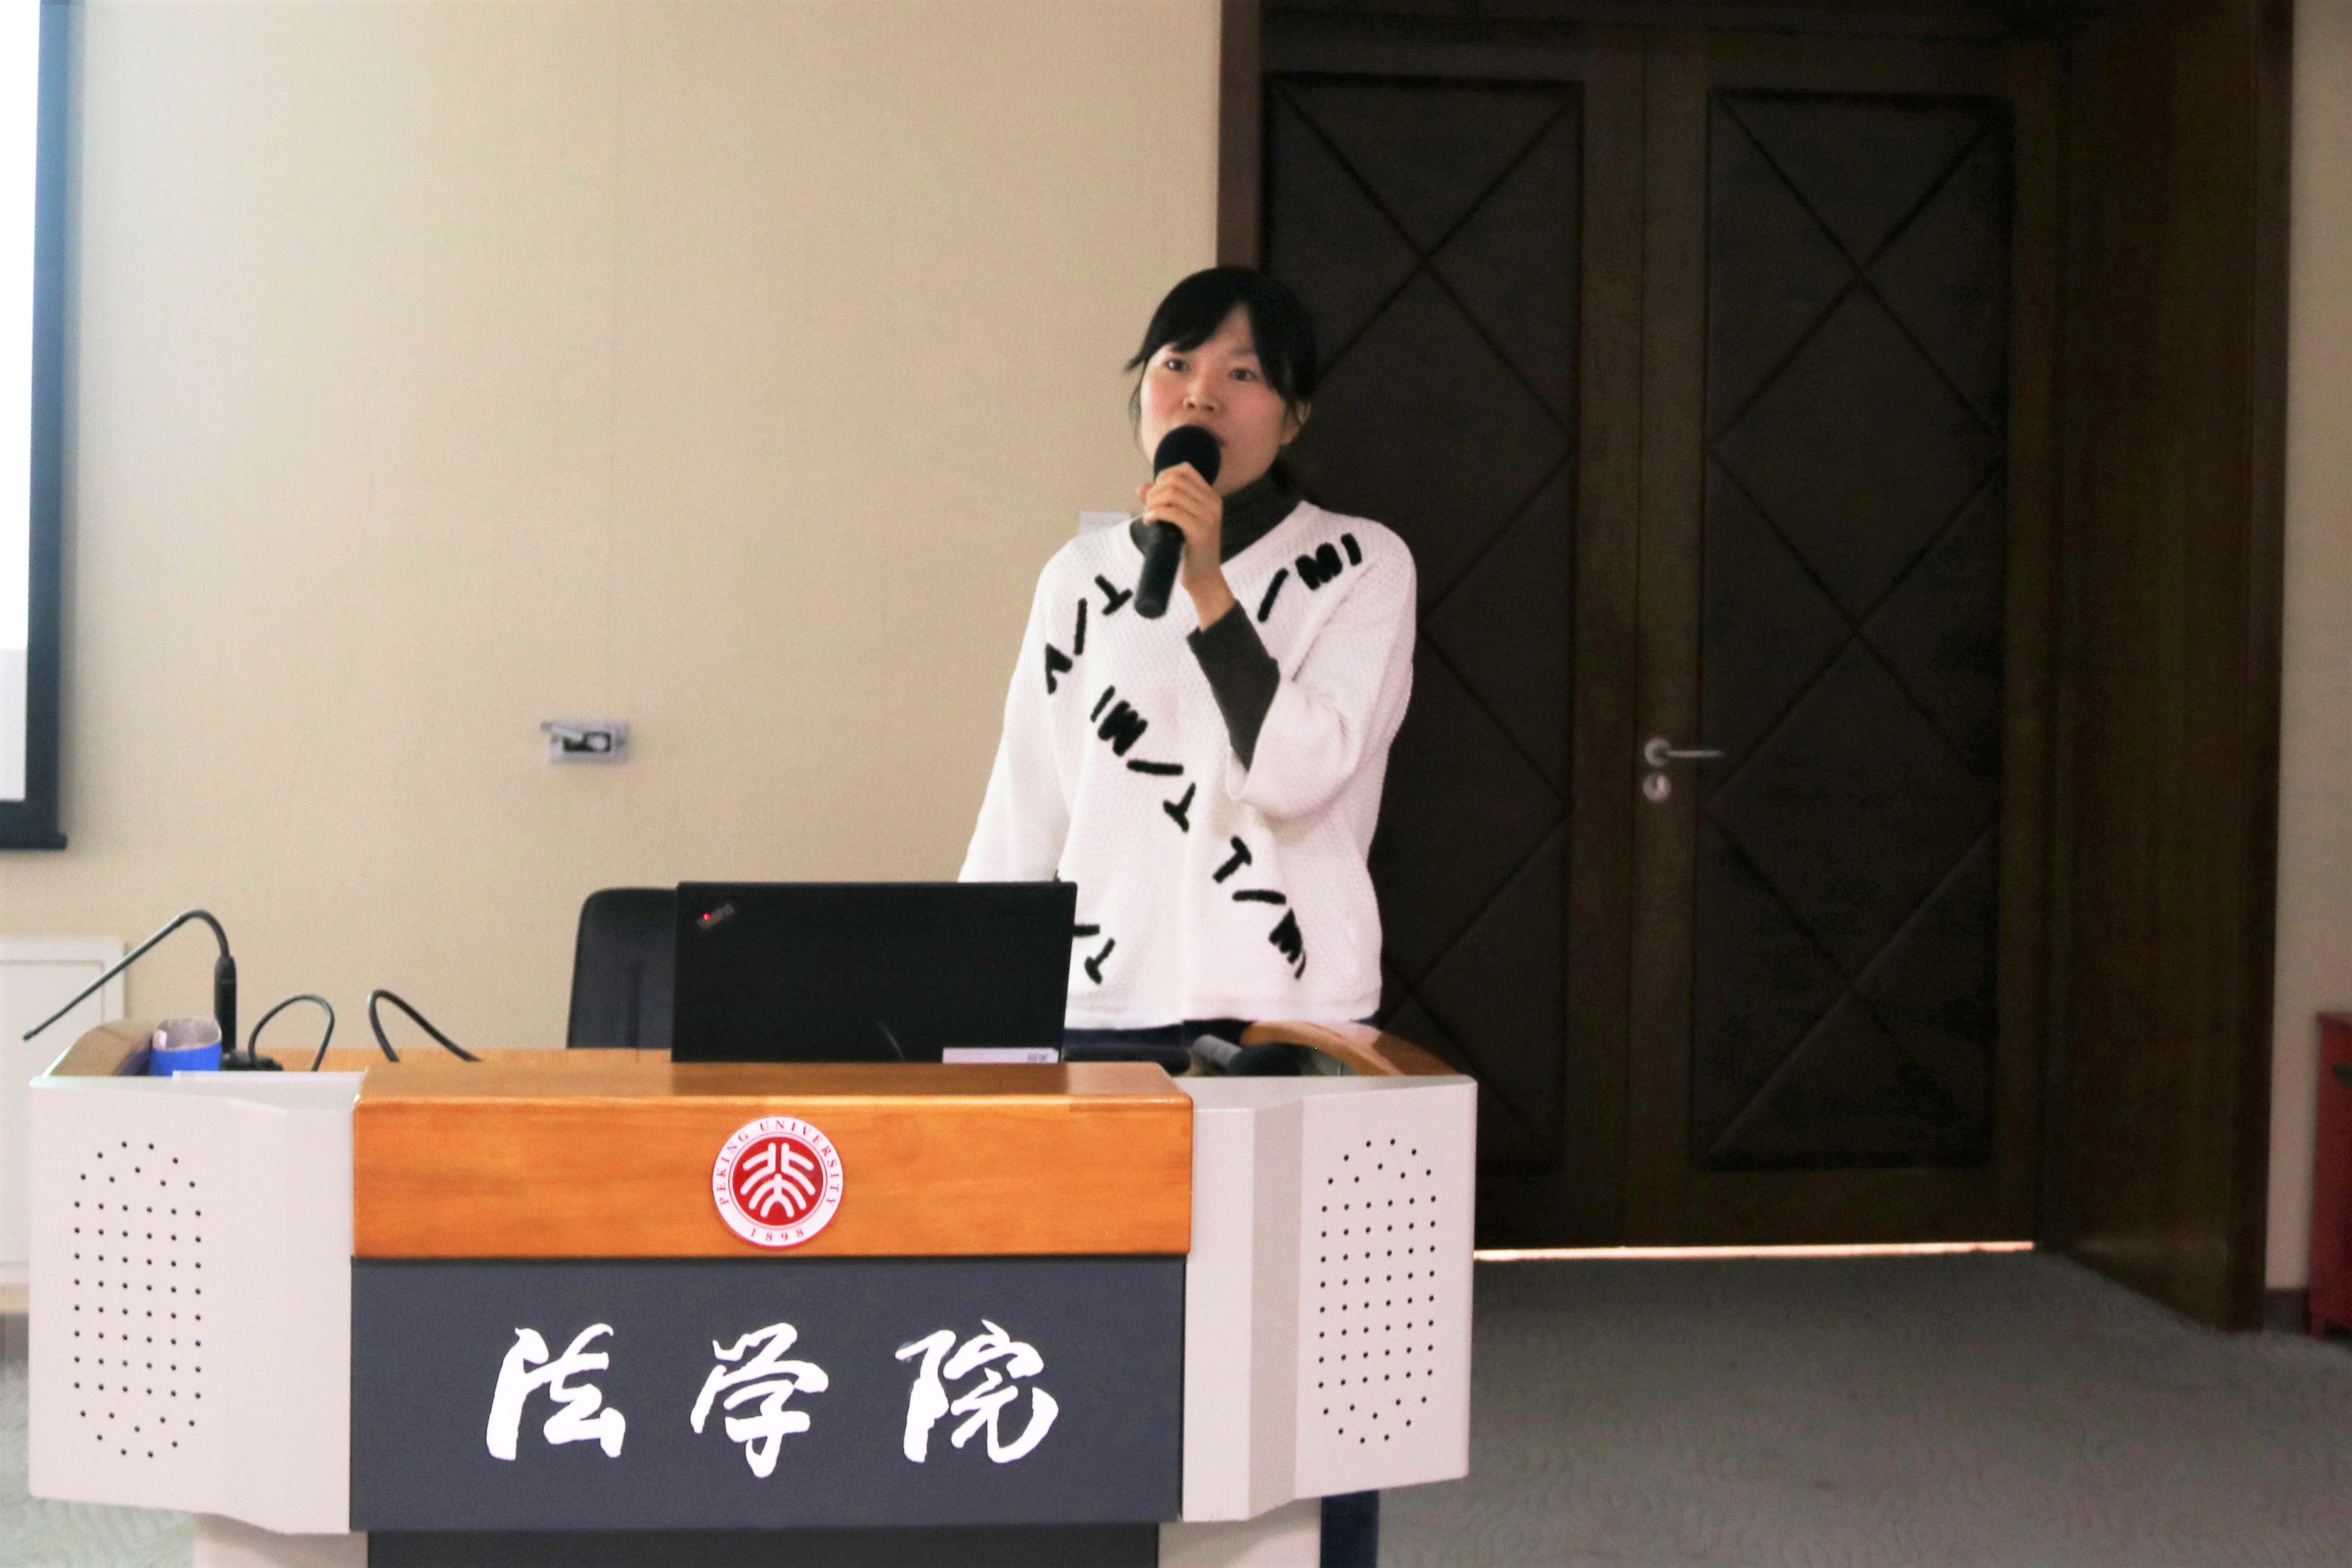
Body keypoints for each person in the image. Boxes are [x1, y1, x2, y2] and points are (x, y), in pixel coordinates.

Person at [959, 266, 1416, 1062]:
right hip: (1101, 996)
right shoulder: (1077, 576)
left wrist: (1207, 584)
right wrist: (965, 999)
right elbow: (1025, 805)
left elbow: (1300, 773)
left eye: (1243, 374)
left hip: (1288, 1002)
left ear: (1294, 416)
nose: (1201, 396)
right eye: (1176, 364)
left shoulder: (1361, 562)